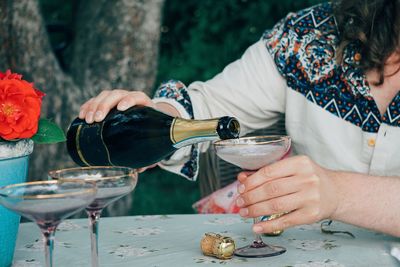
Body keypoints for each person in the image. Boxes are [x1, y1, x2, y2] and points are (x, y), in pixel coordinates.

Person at [78, 0, 400, 237]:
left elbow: (339, 193)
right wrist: (154, 121)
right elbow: (208, 108)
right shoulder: (306, 39)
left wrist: (339, 193)